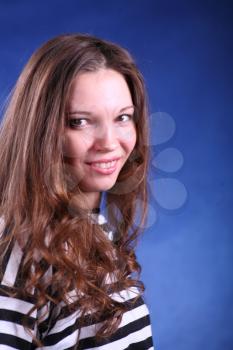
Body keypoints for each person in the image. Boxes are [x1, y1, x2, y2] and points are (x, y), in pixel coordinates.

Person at [0, 34, 154, 349]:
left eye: (122, 117)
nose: (110, 142)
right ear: (41, 131)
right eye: (80, 122)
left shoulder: (90, 232)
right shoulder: (19, 247)